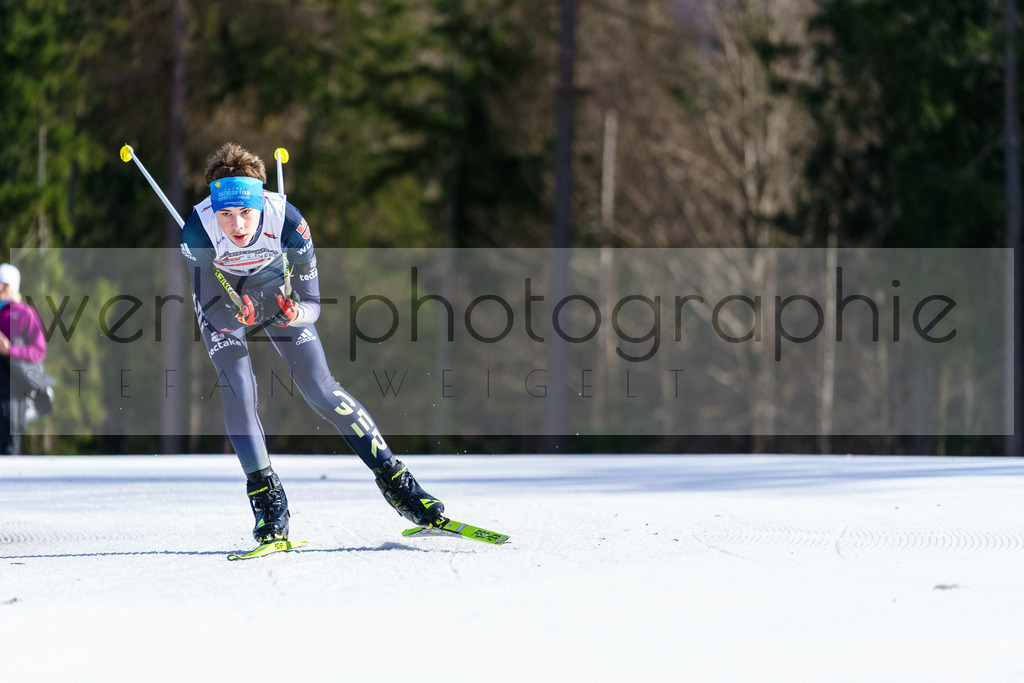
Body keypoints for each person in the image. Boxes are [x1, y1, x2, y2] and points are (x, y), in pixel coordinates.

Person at [181, 142, 444, 544]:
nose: (237, 225)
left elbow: (314, 304)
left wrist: (293, 313)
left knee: (322, 389)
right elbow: (211, 308)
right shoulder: (197, 231)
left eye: (246, 212)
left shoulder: (288, 220)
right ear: (213, 209)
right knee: (237, 384)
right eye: (226, 214)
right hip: (226, 298)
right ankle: (267, 501)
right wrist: (239, 313)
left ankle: (398, 483)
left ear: (261, 201)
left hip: (273, 289)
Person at [1, 263, 48, 455]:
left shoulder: (23, 313)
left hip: (12, 396)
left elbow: (38, 350)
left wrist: (10, 350)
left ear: (8, 287)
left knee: (8, 452)